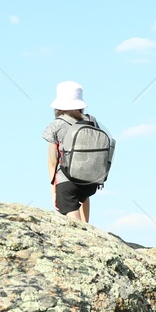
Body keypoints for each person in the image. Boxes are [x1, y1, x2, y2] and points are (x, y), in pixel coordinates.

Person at [43, 81, 101, 223]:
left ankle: (84, 234)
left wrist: (54, 192)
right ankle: (87, 226)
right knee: (81, 195)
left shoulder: (56, 125)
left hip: (67, 180)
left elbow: (52, 161)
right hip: (91, 181)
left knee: (74, 223)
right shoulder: (92, 121)